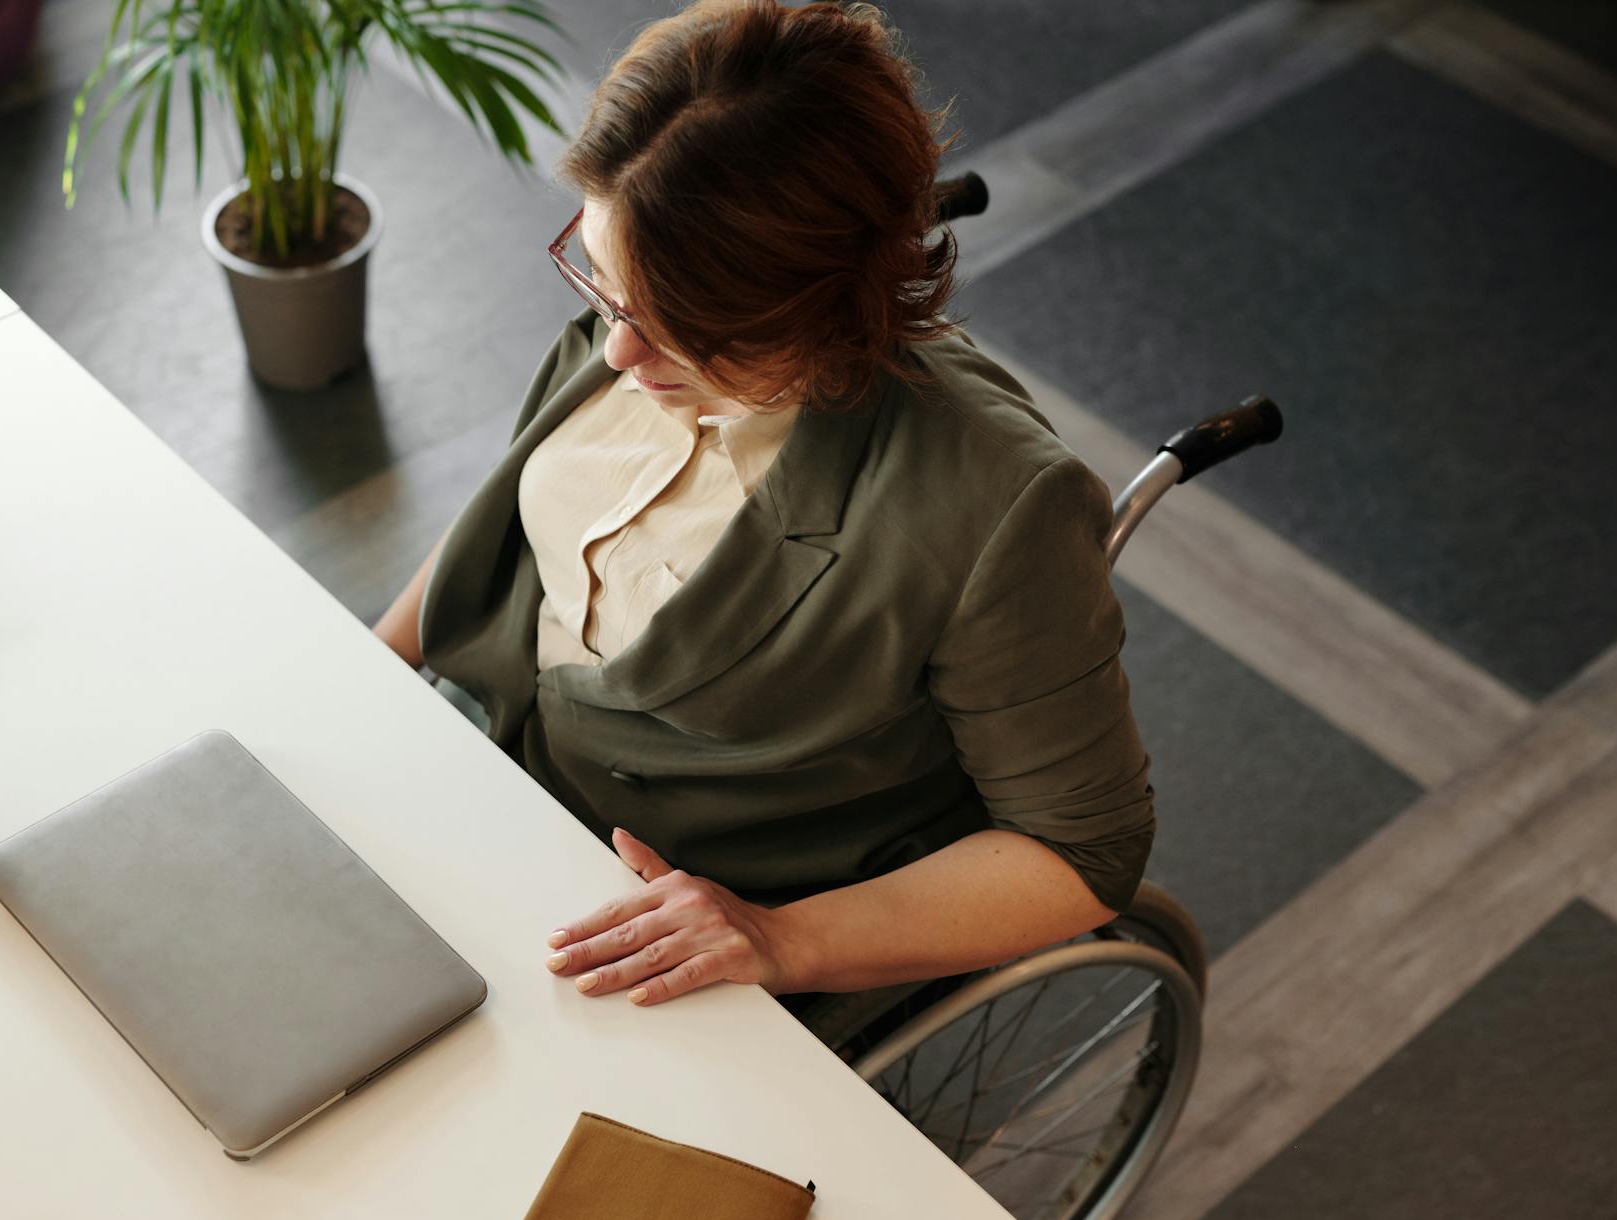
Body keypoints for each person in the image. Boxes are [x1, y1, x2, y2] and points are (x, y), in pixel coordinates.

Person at [372, 0, 1154, 1011]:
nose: (616, 351)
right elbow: (513, 527)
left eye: (679, 323)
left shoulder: (998, 506)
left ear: (823, 298)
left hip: (662, 922)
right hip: (492, 788)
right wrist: (375, 665)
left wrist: (777, 937)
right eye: (607, 285)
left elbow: (1083, 851)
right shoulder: (641, 310)